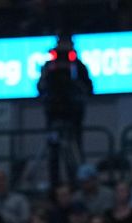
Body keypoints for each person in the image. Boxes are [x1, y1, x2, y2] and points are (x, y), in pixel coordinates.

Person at [36, 32, 93, 188]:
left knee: (74, 151)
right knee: (53, 152)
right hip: (54, 114)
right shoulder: (49, 67)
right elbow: (40, 88)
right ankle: (54, 186)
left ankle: (76, 184)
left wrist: (75, 88)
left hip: (73, 116)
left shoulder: (78, 67)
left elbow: (89, 88)